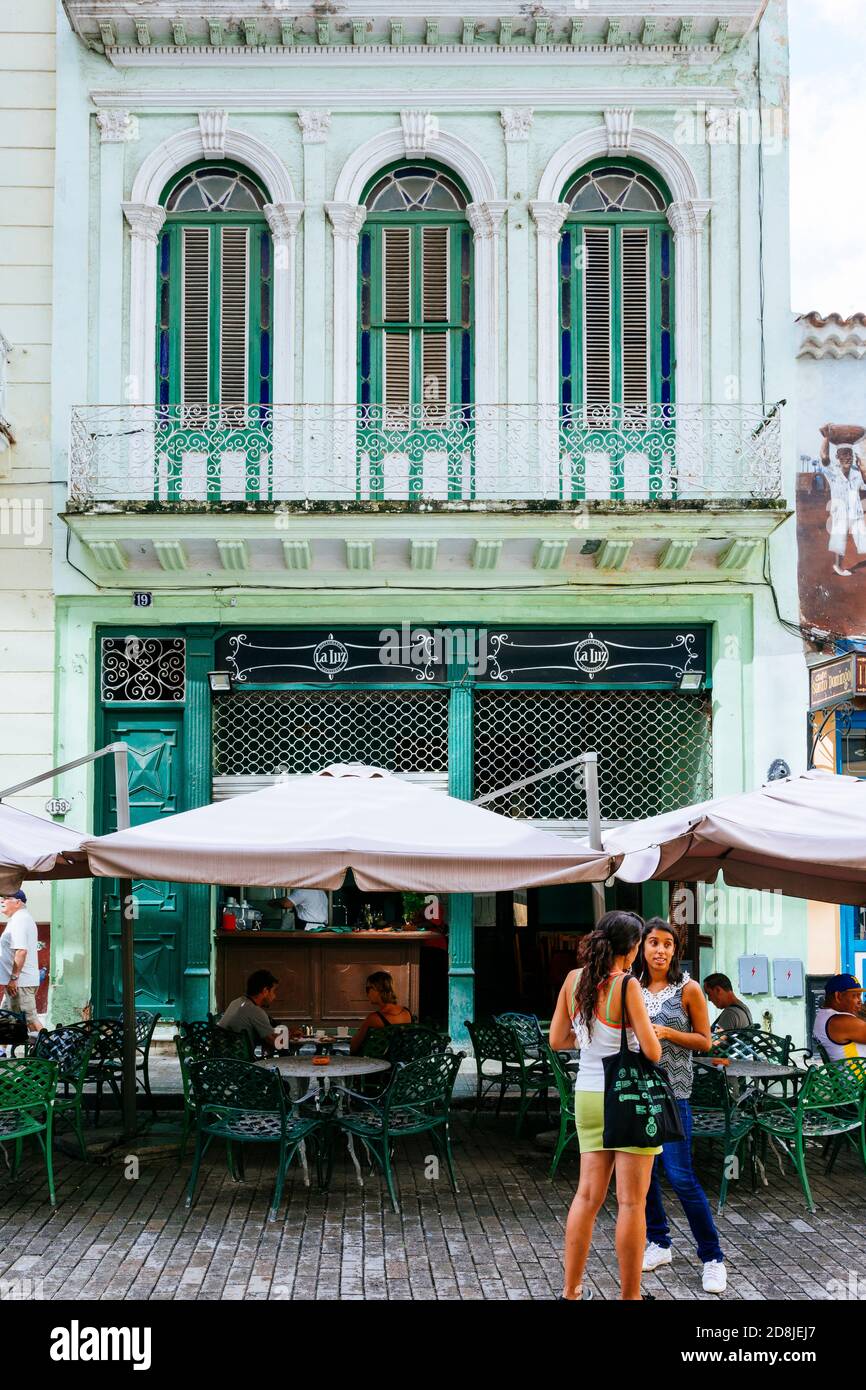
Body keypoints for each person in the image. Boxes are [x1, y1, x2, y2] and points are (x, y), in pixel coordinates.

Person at [548, 910, 662, 1302]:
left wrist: (591, 1042)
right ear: (631, 950)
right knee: (632, 1201)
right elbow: (652, 1051)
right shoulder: (626, 984)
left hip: (588, 1094)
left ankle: (571, 1291)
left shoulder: (572, 980)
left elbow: (557, 1040)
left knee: (587, 1195)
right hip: (626, 1096)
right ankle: (630, 1297)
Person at [636, 919, 725, 1294]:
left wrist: (669, 1033)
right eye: (653, 942)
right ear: (641, 947)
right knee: (643, 1178)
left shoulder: (688, 990)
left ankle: (713, 1257)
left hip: (675, 1094)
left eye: (667, 944)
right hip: (637, 1094)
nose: (660, 950)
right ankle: (659, 1242)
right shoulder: (631, 987)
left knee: (681, 1176)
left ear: (676, 950)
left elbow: (706, 1042)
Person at [0, 891, 43, 1036]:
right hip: (15, 983)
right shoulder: (17, 918)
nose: (2, 901)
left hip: (20, 982)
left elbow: (21, 951)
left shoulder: (20, 919)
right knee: (5, 1019)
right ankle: (2, 1051)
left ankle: (53, 1051)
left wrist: (13, 978)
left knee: (31, 1021)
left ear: (18, 902)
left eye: (6, 898)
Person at [218, 970, 280, 1053]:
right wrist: (289, 1037)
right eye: (273, 991)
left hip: (221, 1057)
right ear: (265, 991)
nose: (274, 996)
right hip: (239, 1062)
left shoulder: (236, 1002)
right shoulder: (255, 1011)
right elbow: (276, 1044)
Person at [349, 971, 411, 1054]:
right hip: (400, 1061)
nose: (366, 993)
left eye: (368, 989)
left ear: (378, 989)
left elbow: (354, 1047)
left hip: (379, 1064)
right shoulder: (406, 1012)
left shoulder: (374, 1018)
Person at [813, 974, 866, 1060]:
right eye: (855, 996)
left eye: (859, 996)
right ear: (838, 996)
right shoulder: (840, 1021)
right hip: (857, 1073)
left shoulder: (825, 1015)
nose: (860, 1001)